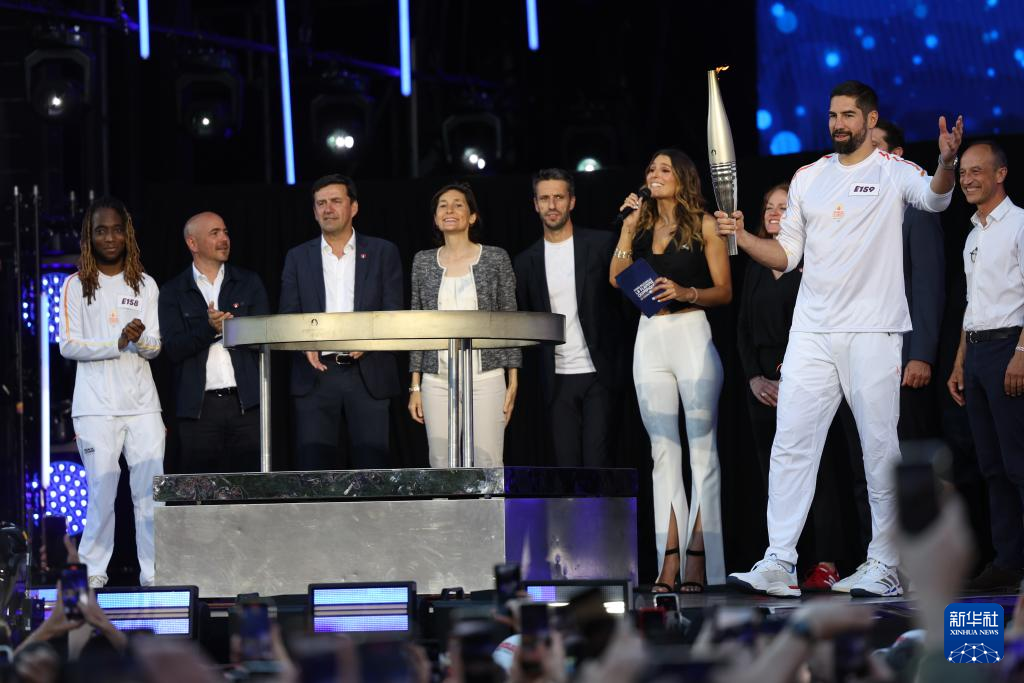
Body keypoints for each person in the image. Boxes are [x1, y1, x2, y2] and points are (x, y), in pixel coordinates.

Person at [719, 80, 962, 598]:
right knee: (791, 445)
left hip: (873, 331)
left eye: (848, 115)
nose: (838, 124)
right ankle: (779, 560)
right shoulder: (808, 177)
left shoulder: (894, 171)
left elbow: (936, 199)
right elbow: (787, 255)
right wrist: (742, 236)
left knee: (879, 449)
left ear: (870, 121)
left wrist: (946, 163)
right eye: (833, 115)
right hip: (811, 332)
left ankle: (884, 564)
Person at [609, 149, 732, 593]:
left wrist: (686, 292)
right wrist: (627, 227)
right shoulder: (640, 226)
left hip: (691, 332)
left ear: (682, 178)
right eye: (650, 169)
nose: (654, 175)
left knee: (702, 452)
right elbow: (616, 277)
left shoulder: (703, 224)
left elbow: (724, 291)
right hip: (650, 337)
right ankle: (668, 557)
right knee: (662, 453)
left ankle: (700, 557)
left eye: (664, 169)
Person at [58, 196, 163, 588]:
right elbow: (68, 345)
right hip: (95, 408)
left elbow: (155, 346)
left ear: (127, 234)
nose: (110, 237)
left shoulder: (145, 284)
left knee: (150, 493)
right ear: (90, 236)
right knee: (101, 492)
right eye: (101, 230)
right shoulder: (75, 285)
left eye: (117, 229)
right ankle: (92, 574)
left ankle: (155, 575)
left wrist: (138, 340)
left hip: (142, 405)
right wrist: (117, 342)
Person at [279, 174, 403, 470]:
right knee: (314, 472)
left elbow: (393, 311)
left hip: (368, 371)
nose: (328, 209)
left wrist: (369, 340)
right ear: (314, 211)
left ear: (354, 207)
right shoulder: (297, 257)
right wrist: (304, 344)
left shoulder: (383, 252)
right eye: (321, 203)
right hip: (315, 374)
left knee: (372, 471)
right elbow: (288, 313)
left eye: (335, 201)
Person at [948, 140, 1024, 591]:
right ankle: (1008, 562)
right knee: (992, 466)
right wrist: (960, 362)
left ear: (1001, 174)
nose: (967, 180)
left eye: (977, 171)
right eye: (962, 173)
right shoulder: (973, 234)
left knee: (1018, 463)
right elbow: (971, 304)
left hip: (1010, 347)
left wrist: (1021, 353)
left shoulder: (1019, 224)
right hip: (977, 352)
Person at [514, 168, 623, 468]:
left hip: (599, 374)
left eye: (559, 197)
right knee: (566, 468)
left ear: (572, 201)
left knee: (598, 465)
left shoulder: (601, 245)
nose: (552, 205)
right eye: (544, 198)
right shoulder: (525, 262)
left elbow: (623, 302)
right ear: (535, 204)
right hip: (556, 378)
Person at [408, 182, 521, 467]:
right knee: (440, 462)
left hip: (486, 375)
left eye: (458, 204)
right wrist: (415, 386)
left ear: (472, 216)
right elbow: (417, 325)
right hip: (437, 379)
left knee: (488, 461)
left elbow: (510, 319)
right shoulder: (422, 262)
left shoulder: (495, 258)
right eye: (443, 206)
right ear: (436, 218)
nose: (450, 210)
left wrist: (513, 379)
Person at [158, 211, 270, 474]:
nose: (224, 239)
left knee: (250, 486)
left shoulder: (248, 282)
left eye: (226, 232)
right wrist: (209, 329)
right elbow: (173, 349)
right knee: (200, 489)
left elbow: (265, 337)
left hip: (246, 405)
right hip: (199, 411)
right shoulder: (173, 291)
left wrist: (230, 329)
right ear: (192, 243)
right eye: (215, 233)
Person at [736, 183, 798, 485]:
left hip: (801, 380)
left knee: (810, 469)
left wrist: (788, 379)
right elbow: (743, 328)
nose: (773, 213)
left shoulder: (809, 262)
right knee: (771, 473)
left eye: (783, 208)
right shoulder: (756, 265)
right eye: (769, 207)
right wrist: (755, 378)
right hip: (762, 386)